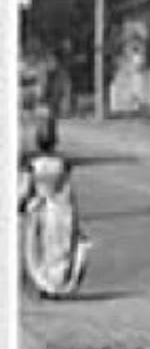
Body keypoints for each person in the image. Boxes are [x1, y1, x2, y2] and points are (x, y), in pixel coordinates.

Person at [18, 117, 89, 299]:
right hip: (59, 209)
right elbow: (67, 189)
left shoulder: (32, 164)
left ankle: (43, 284)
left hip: (39, 209)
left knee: (38, 249)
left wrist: (21, 204)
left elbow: (25, 188)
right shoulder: (63, 163)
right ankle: (57, 283)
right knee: (57, 250)